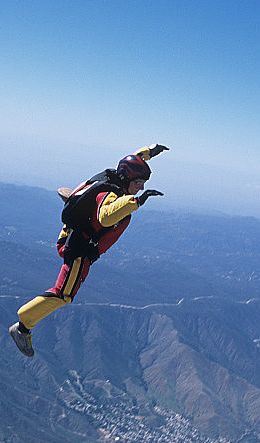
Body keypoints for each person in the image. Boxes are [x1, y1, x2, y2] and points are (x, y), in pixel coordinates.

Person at [9, 144, 168, 357]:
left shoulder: (113, 176)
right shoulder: (110, 195)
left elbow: (130, 160)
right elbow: (106, 216)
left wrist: (150, 151)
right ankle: (23, 326)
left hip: (71, 236)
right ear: (127, 179)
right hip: (78, 249)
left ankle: (24, 325)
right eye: (138, 183)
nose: (140, 187)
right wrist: (136, 202)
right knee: (64, 294)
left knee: (66, 292)